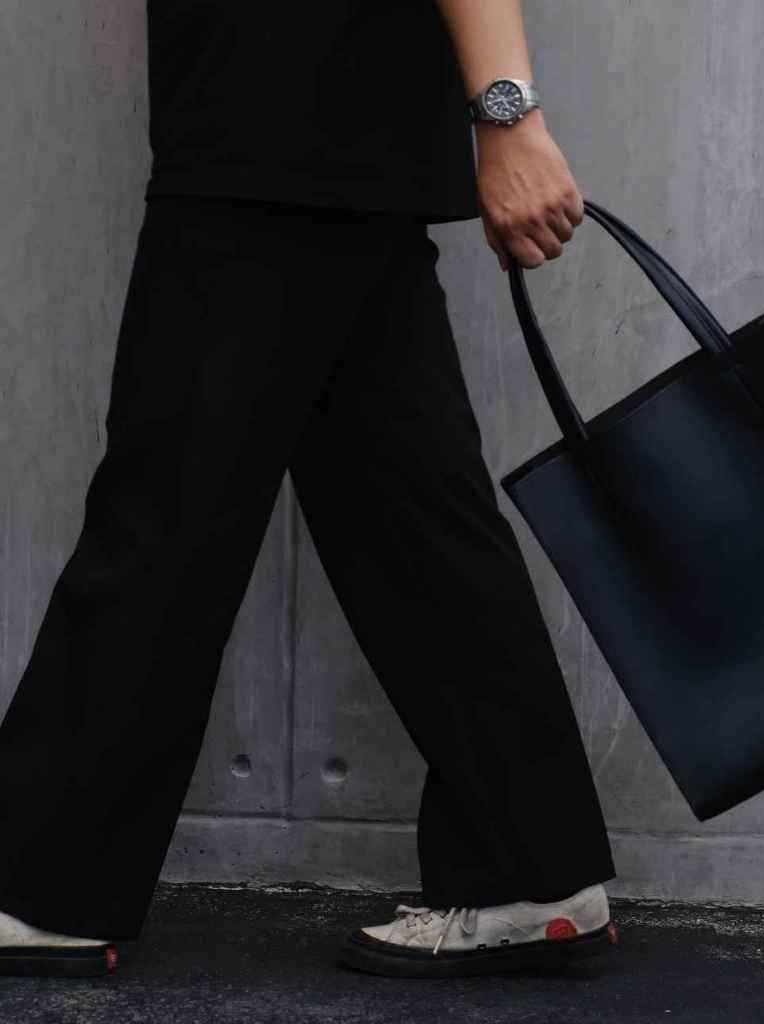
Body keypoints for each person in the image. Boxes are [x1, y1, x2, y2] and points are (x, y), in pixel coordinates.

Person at [0, 0, 618, 979]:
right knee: (410, 522)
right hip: (313, 130)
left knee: (166, 514)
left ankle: (41, 886)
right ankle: (531, 867)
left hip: (271, 131)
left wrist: (507, 111)